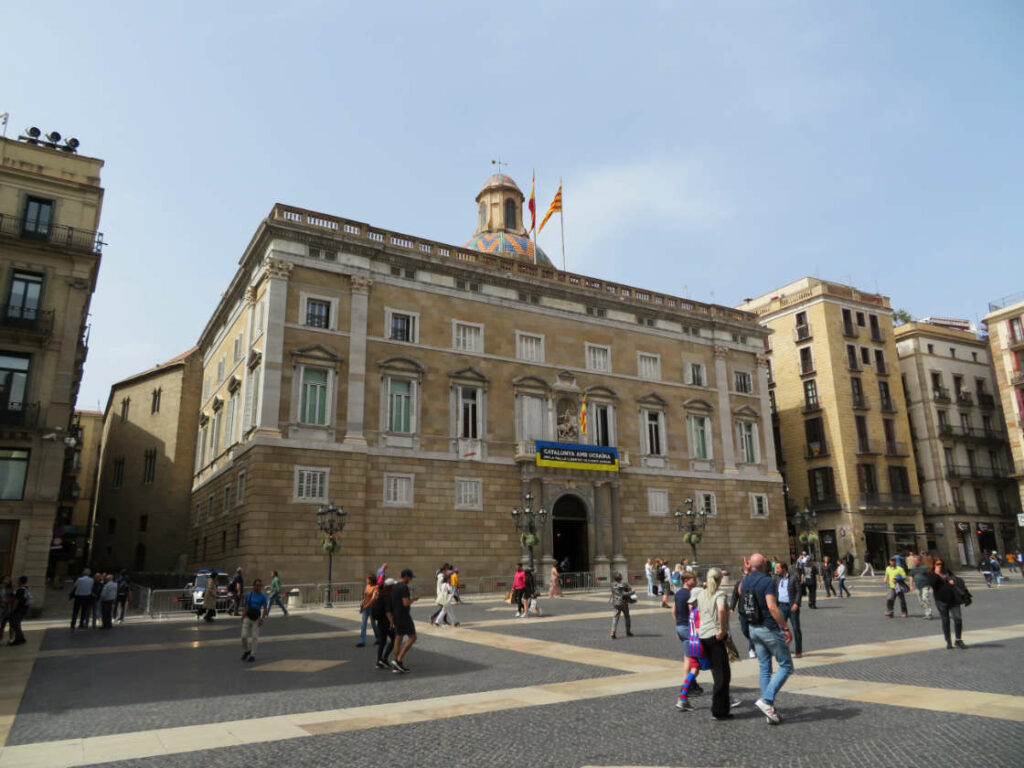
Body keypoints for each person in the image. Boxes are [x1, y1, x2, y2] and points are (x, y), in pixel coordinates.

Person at [740, 553, 793, 725]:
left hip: (753, 628)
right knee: (785, 665)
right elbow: (772, 606)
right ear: (764, 564)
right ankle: (767, 700)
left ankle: (768, 711)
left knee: (764, 668)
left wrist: (748, 573)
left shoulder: (746, 580)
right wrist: (785, 627)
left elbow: (740, 591)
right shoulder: (767, 581)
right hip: (768, 628)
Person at [697, 567, 735, 720]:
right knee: (722, 675)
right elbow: (721, 611)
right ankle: (719, 711)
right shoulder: (720, 594)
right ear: (719, 580)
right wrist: (723, 629)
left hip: (704, 635)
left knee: (719, 673)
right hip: (715, 636)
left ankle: (721, 708)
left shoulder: (701, 594)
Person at [673, 569, 704, 707]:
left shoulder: (678, 593)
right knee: (694, 662)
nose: (695, 582)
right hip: (689, 629)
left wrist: (677, 626)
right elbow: (693, 610)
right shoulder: (689, 594)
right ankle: (687, 686)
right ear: (686, 580)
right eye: (693, 580)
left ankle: (690, 685)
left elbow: (673, 610)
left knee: (688, 658)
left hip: (681, 627)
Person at [926, 557, 967, 649]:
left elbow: (954, 578)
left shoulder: (947, 571)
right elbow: (932, 584)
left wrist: (953, 581)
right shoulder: (931, 574)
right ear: (933, 565)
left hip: (953, 599)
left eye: (941, 564)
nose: (940, 566)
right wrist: (937, 575)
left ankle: (958, 639)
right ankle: (948, 641)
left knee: (958, 619)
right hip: (941, 601)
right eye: (938, 564)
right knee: (945, 621)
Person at [390, 568, 417, 673]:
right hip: (404, 615)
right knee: (413, 637)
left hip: (396, 615)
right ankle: (399, 660)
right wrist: (414, 599)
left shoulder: (395, 586)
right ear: (406, 576)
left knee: (398, 638)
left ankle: (397, 663)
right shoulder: (403, 587)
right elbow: (406, 603)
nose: (410, 580)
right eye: (410, 577)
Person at [774, 562, 803, 658]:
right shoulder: (777, 578)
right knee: (781, 629)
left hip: (792, 607)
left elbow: (799, 591)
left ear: (784, 569)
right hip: (781, 606)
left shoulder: (793, 577)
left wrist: (796, 603)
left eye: (778, 568)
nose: (776, 570)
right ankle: (783, 650)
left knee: (796, 628)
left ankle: (798, 651)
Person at [728, 559, 756, 659]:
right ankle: (754, 640)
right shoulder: (739, 583)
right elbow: (734, 596)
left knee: (752, 630)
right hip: (742, 611)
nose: (745, 575)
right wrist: (731, 607)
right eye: (744, 573)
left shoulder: (753, 583)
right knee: (744, 630)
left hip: (752, 611)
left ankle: (751, 649)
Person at [240, 577, 269, 662]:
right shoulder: (248, 595)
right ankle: (247, 650)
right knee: (243, 636)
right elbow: (245, 605)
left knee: (254, 637)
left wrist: (262, 619)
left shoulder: (263, 596)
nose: (258, 587)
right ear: (253, 586)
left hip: (256, 619)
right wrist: (243, 614)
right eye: (256, 585)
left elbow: (265, 609)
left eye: (260, 586)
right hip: (248, 617)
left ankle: (252, 654)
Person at [372, 579, 396, 669]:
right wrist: (391, 623)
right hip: (386, 622)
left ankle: (379, 660)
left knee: (383, 641)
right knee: (394, 639)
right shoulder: (388, 597)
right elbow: (388, 611)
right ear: (391, 587)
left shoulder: (381, 594)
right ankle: (384, 658)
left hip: (380, 622)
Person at [609, 571, 633, 639]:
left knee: (615, 617)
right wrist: (632, 592)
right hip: (623, 603)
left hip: (616, 603)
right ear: (621, 578)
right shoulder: (623, 585)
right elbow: (625, 593)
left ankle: (612, 632)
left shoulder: (612, 585)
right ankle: (628, 631)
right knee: (627, 617)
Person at [357, 574, 379, 646]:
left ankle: (378, 638)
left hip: (372, 607)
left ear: (371, 579)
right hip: (365, 607)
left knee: (373, 624)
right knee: (363, 624)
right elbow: (366, 596)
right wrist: (362, 603)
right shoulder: (367, 586)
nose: (366, 580)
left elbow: (373, 598)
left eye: (367, 579)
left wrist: (367, 605)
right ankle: (362, 641)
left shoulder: (375, 587)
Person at [7, 576, 29, 646]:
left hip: (18, 610)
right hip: (24, 609)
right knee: (17, 624)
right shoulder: (27, 589)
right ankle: (22, 638)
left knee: (15, 625)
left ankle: (18, 639)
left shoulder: (20, 590)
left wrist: (12, 610)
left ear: (20, 581)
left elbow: (16, 601)